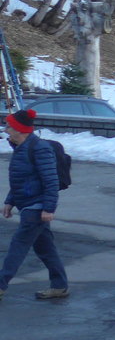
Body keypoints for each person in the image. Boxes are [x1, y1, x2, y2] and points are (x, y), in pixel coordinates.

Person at [0, 108, 69, 301]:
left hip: (36, 207)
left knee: (18, 246)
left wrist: (48, 208)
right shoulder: (21, 148)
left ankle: (1, 284)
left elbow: (51, 181)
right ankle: (59, 286)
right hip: (29, 205)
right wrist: (10, 201)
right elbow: (21, 179)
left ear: (19, 129)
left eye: (9, 126)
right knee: (45, 248)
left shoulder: (39, 149)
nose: (6, 130)